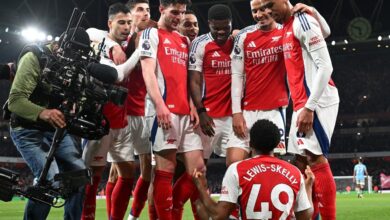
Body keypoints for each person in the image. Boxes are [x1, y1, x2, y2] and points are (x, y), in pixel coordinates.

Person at [257, 0, 340, 219]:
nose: (267, 11)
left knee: (315, 159)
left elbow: (326, 66)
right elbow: (327, 32)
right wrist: (315, 12)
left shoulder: (301, 21)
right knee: (301, 163)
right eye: (263, 7)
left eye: (270, 4)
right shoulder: (288, 25)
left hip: (316, 100)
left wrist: (309, 108)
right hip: (302, 102)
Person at [228, 0, 331, 167]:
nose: (260, 14)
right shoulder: (243, 36)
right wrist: (236, 112)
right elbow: (237, 74)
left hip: (275, 110)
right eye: (255, 11)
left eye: (264, 8)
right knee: (234, 163)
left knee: (271, 166)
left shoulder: (287, 30)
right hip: (247, 110)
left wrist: (312, 11)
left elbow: (324, 33)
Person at [8, 29, 87, 219]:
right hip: (26, 128)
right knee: (49, 180)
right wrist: (43, 112)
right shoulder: (34, 57)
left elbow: (81, 96)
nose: (75, 60)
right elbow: (15, 101)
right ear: (59, 46)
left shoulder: (78, 66)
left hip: (55, 129)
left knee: (79, 177)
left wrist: (78, 104)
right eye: (72, 54)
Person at [138, 0, 205, 219]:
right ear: (161, 10)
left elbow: (186, 78)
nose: (178, 17)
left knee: (198, 170)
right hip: (164, 111)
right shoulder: (151, 34)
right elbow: (148, 72)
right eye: (174, 12)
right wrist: (160, 106)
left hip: (186, 113)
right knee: (165, 171)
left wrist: (194, 106)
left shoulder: (184, 40)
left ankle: (173, 210)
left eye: (182, 12)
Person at [193, 119, 314, 220]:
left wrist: (201, 188)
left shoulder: (237, 169)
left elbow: (218, 215)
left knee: (200, 206)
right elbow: (305, 216)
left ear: (250, 143)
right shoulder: (295, 172)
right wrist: (308, 187)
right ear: (277, 144)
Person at [82, 3, 135, 220]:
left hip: (123, 121)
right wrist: (111, 44)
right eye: (121, 22)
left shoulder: (133, 42)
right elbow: (88, 32)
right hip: (99, 121)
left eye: (129, 23)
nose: (126, 27)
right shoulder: (99, 42)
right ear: (110, 23)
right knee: (93, 176)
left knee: (128, 174)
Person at [185, 4, 234, 219]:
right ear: (210, 25)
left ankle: (233, 214)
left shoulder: (240, 40)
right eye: (216, 29)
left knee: (235, 170)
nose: (221, 33)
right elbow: (194, 81)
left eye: (226, 28)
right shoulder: (200, 44)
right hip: (208, 117)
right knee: (198, 174)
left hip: (234, 117)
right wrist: (202, 111)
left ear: (231, 24)